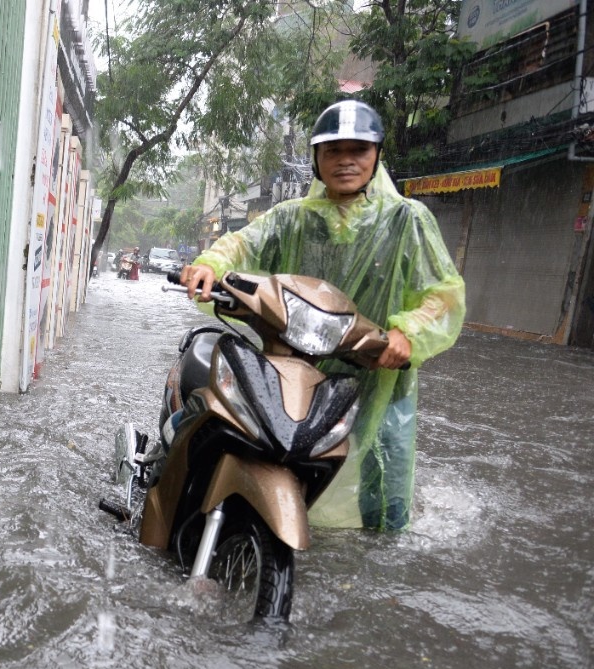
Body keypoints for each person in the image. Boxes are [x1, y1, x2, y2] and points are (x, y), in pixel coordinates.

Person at [180, 99, 465, 531]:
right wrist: (209, 266)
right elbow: (241, 244)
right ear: (316, 159)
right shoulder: (290, 219)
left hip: (377, 375)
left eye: (359, 150)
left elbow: (443, 294)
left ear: (377, 156)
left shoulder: (409, 221)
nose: (346, 161)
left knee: (380, 497)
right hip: (295, 367)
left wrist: (407, 333)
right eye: (333, 151)